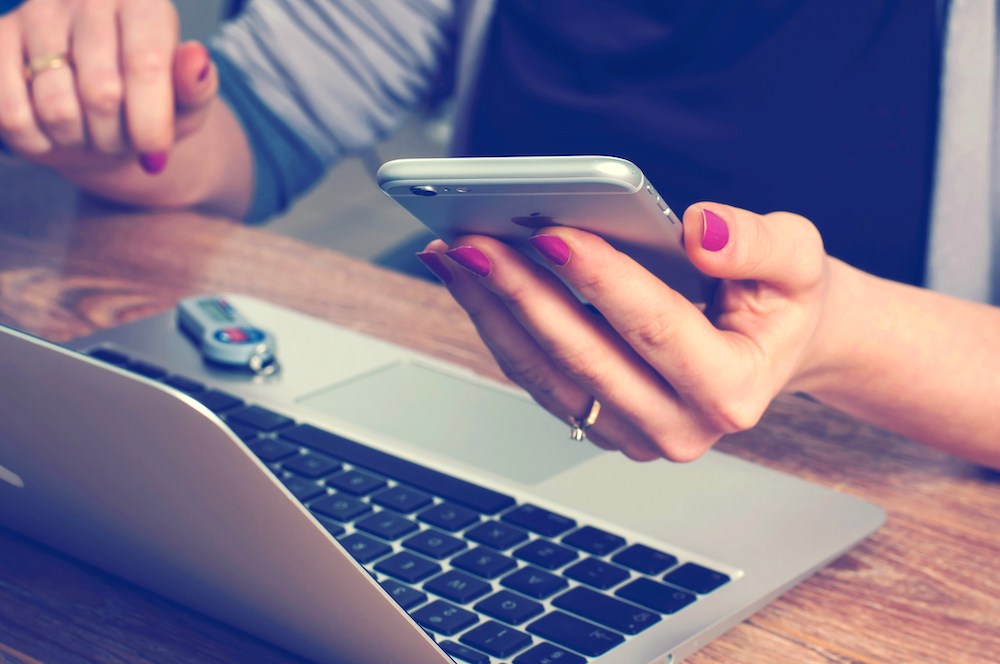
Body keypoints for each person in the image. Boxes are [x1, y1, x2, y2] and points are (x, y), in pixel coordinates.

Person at [0, 1, 997, 466]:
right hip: (485, 432)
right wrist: (120, 115)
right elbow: (258, 123)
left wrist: (834, 333)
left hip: (890, 503)